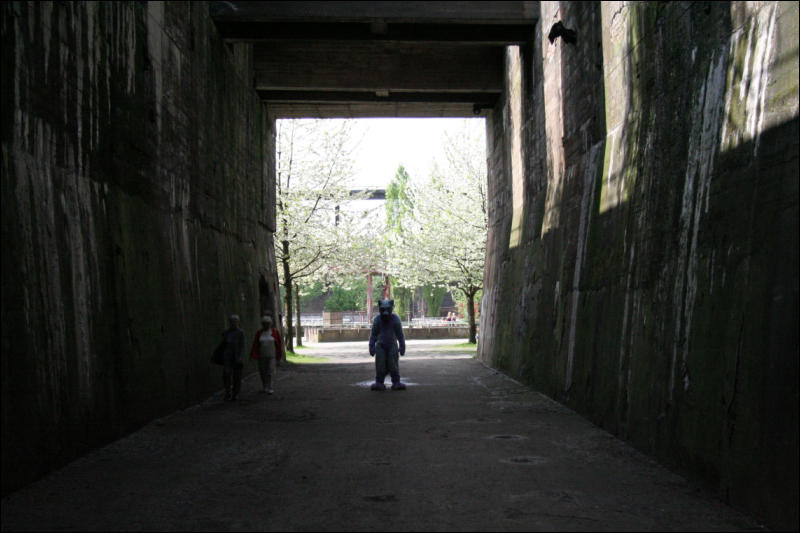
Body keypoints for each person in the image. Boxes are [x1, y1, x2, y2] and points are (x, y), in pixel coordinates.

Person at [368, 299, 406, 391]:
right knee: (380, 365)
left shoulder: (395, 319)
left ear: (391, 309)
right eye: (382, 310)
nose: (385, 312)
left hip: (392, 345)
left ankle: (396, 381)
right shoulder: (377, 319)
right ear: (380, 309)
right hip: (380, 345)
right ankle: (379, 382)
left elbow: (400, 335)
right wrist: (371, 346)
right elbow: (373, 335)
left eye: (388, 310)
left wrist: (402, 346)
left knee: (393, 365)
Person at [250, 315, 284, 394]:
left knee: (270, 371)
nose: (266, 325)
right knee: (263, 371)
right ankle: (265, 386)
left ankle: (270, 387)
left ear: (270, 324)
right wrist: (254, 355)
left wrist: (279, 356)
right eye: (265, 323)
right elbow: (255, 344)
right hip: (262, 356)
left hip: (272, 355)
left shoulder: (275, 332)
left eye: (268, 323)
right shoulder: (259, 333)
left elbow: (278, 344)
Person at [221, 314, 246, 401]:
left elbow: (242, 346)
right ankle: (228, 392)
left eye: (235, 322)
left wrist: (240, 356)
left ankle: (235, 393)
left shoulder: (240, 333)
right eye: (232, 322)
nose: (233, 324)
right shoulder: (226, 333)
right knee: (226, 375)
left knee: (237, 376)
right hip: (227, 357)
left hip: (236, 358)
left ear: (238, 322)